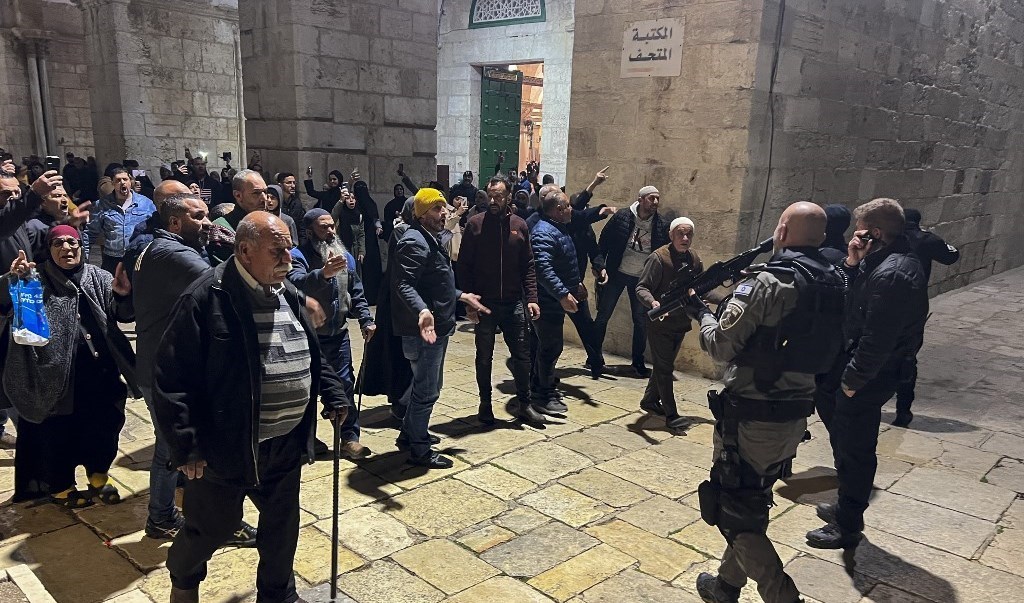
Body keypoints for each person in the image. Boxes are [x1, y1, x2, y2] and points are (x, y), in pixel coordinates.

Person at [153, 212, 350, 603]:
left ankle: (278, 595)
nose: (288, 259)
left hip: (285, 443)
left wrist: (334, 393)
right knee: (212, 527)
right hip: (225, 446)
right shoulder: (206, 297)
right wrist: (186, 445)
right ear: (244, 251)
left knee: (281, 527)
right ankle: (184, 579)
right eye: (277, 251)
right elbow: (171, 376)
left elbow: (311, 353)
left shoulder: (288, 293)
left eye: (289, 249)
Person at [688, 203, 845, 603]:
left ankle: (783, 597)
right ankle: (725, 586)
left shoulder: (768, 281)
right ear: (822, 238)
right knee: (751, 500)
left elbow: (722, 345)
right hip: (795, 413)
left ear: (781, 230)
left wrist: (702, 315)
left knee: (734, 514)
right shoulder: (836, 280)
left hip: (751, 416)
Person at [807, 198, 928, 550]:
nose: (854, 235)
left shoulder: (893, 274)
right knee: (845, 443)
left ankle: (848, 525)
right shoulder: (881, 264)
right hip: (855, 369)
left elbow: (878, 340)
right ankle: (846, 505)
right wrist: (853, 262)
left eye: (860, 230)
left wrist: (851, 383)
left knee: (856, 448)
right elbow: (854, 302)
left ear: (875, 232)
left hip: (868, 376)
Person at [2, 226, 140, 505]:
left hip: (100, 375)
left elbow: (121, 315)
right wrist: (14, 281)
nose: (67, 248)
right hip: (57, 378)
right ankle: (61, 485)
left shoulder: (98, 277)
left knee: (104, 428)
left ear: (81, 246)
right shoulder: (35, 280)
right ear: (49, 249)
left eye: (72, 242)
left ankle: (98, 475)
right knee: (59, 434)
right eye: (58, 243)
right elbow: (15, 316)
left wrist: (124, 297)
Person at [391, 189, 488, 468]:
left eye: (444, 207)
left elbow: (435, 283)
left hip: (433, 326)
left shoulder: (427, 238)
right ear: (420, 214)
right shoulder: (415, 242)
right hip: (425, 329)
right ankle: (419, 449)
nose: (443, 213)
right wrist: (422, 310)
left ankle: (410, 435)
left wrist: (461, 296)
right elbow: (403, 284)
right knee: (427, 390)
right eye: (436, 209)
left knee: (425, 385)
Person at [288, 209, 376, 459]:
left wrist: (366, 319)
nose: (330, 232)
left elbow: (356, 290)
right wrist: (323, 274)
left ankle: (349, 437)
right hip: (308, 337)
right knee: (308, 390)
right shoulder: (297, 256)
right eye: (323, 227)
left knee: (344, 385)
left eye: (332, 226)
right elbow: (294, 283)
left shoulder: (344, 256)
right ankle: (308, 438)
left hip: (338, 335)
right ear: (309, 232)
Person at [458, 176, 544, 425]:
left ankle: (525, 404)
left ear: (509, 196)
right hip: (484, 303)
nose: (493, 201)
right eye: (490, 196)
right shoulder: (475, 225)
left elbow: (528, 265)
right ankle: (485, 404)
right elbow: (464, 267)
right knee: (484, 356)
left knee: (522, 355)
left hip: (514, 302)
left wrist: (532, 298)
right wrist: (469, 303)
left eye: (498, 196)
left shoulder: (520, 225)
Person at [892, 208, 959, 426]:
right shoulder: (927, 240)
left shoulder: (887, 236)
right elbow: (952, 255)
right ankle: (903, 411)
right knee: (907, 357)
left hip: (882, 299)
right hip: (913, 306)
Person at [636, 217, 703, 434]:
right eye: (680, 234)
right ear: (671, 235)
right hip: (660, 323)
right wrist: (653, 302)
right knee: (665, 368)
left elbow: (701, 286)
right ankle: (671, 415)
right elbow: (642, 288)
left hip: (681, 322)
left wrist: (724, 299)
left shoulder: (693, 258)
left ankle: (649, 400)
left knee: (662, 365)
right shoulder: (659, 258)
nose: (685, 238)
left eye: (689, 234)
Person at [595, 185, 669, 377]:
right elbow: (603, 242)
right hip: (617, 273)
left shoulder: (660, 224)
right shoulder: (622, 217)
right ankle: (593, 357)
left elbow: (663, 253)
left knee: (641, 320)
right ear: (641, 199)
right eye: (651, 198)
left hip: (641, 279)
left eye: (657, 199)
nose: (655, 202)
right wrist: (600, 266)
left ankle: (638, 362)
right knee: (603, 315)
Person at [529, 190, 585, 415]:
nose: (571, 209)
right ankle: (543, 394)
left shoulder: (556, 228)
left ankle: (539, 384)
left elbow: (563, 262)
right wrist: (562, 294)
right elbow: (543, 269)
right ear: (559, 210)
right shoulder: (543, 232)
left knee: (546, 346)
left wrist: (576, 284)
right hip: (547, 301)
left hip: (553, 300)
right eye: (568, 206)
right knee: (551, 347)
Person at [83, 167, 157, 273]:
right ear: (112, 183)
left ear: (130, 181)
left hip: (139, 259)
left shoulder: (146, 203)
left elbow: (155, 228)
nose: (122, 183)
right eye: (118, 180)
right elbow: (90, 234)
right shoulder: (102, 205)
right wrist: (84, 260)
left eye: (125, 179)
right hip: (113, 259)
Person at [207, 169, 270, 266]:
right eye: (256, 193)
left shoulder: (269, 222)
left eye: (265, 192)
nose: (264, 198)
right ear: (238, 195)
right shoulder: (220, 229)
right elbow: (227, 270)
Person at [352, 179, 383, 305]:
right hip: (358, 240)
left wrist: (378, 226)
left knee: (371, 268)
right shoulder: (354, 204)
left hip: (370, 239)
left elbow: (375, 217)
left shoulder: (370, 203)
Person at [331, 187, 365, 270]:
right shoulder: (341, 215)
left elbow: (361, 234)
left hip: (354, 250)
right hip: (342, 248)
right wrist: (341, 201)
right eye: (348, 198)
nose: (351, 200)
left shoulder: (359, 215)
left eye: (353, 198)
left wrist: (362, 251)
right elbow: (333, 217)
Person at [276, 172, 307, 239]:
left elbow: (301, 224)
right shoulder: (275, 203)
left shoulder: (297, 202)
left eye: (294, 183)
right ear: (280, 185)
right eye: (289, 183)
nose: (293, 186)